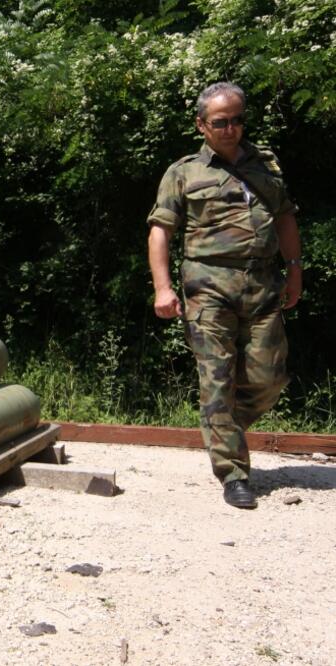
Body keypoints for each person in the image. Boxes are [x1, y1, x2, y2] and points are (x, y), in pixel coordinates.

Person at [146, 81, 302, 509]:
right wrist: (162, 288)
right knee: (216, 378)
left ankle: (221, 427)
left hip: (262, 283)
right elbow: (161, 232)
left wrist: (294, 271)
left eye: (237, 120)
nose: (230, 128)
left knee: (270, 377)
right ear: (201, 124)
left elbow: (286, 217)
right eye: (220, 121)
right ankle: (233, 474)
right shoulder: (183, 172)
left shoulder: (265, 163)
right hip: (208, 286)